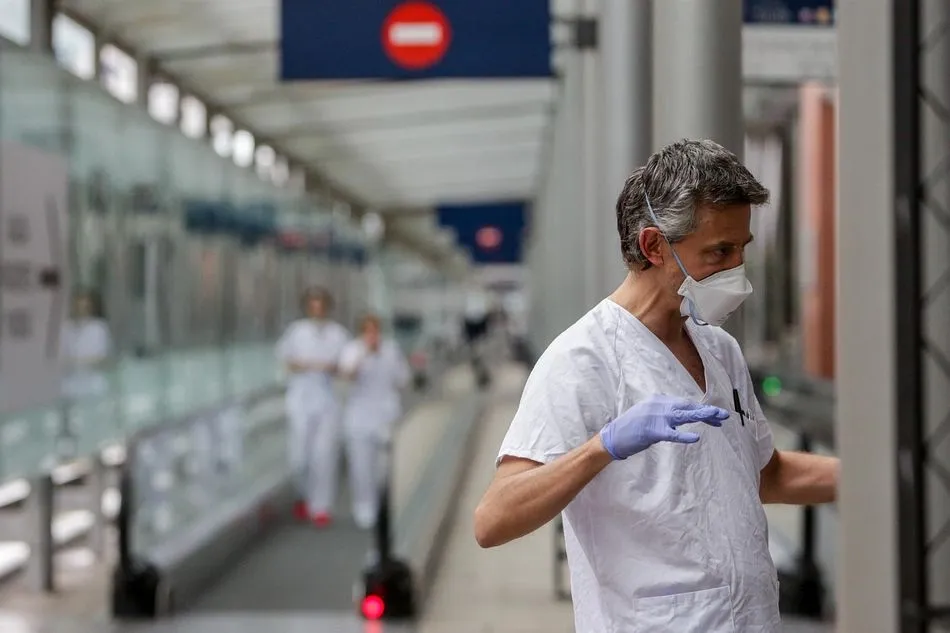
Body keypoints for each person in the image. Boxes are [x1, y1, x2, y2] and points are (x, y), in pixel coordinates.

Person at [473, 139, 840, 633]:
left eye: (741, 250)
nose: (736, 269)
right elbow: (493, 519)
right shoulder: (582, 360)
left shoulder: (720, 350)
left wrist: (874, 477)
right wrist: (601, 448)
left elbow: (764, 475)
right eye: (719, 252)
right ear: (653, 246)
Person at [276, 286, 350, 527]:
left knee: (324, 455)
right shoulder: (296, 332)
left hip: (327, 400)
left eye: (321, 305)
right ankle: (303, 496)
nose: (317, 309)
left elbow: (344, 366)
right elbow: (286, 361)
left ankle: (321, 506)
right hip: (301, 399)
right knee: (300, 456)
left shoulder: (338, 334)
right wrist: (312, 365)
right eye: (313, 304)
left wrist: (324, 367)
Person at [338, 314, 411, 529]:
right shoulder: (353, 350)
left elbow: (403, 379)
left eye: (375, 330)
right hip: (359, 418)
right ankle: (364, 507)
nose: (372, 335)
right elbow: (347, 374)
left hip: (385, 417)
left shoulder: (390, 350)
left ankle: (385, 506)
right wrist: (365, 355)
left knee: (384, 467)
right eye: (367, 330)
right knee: (361, 466)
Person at [61, 289, 113, 401]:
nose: (81, 310)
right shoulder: (66, 328)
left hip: (94, 386)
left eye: (85, 307)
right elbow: (60, 358)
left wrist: (77, 362)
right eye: (78, 306)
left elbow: (102, 359)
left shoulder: (99, 328)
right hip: (71, 386)